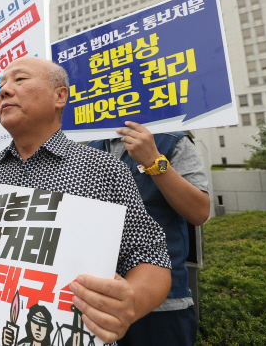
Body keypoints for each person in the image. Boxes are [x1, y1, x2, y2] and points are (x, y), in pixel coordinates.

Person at [0, 56, 172, 346]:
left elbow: (150, 257)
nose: (4, 91)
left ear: (59, 96)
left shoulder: (102, 168)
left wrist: (131, 302)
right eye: (1, 86)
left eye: (20, 79)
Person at [88, 124, 210, 346]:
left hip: (163, 302)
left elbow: (199, 212)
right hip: (99, 299)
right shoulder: (93, 145)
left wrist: (154, 161)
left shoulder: (172, 140)